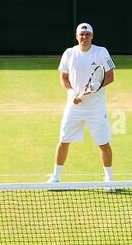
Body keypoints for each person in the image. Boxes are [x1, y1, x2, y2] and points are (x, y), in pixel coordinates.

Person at [49, 22, 115, 183]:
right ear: (77, 36)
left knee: (104, 143)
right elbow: (64, 77)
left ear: (92, 36)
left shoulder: (101, 52)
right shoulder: (69, 53)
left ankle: (109, 180)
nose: (84, 37)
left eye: (87, 34)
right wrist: (72, 93)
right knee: (64, 140)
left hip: (96, 108)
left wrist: (92, 89)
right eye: (81, 34)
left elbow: (110, 76)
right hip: (73, 106)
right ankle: (55, 177)